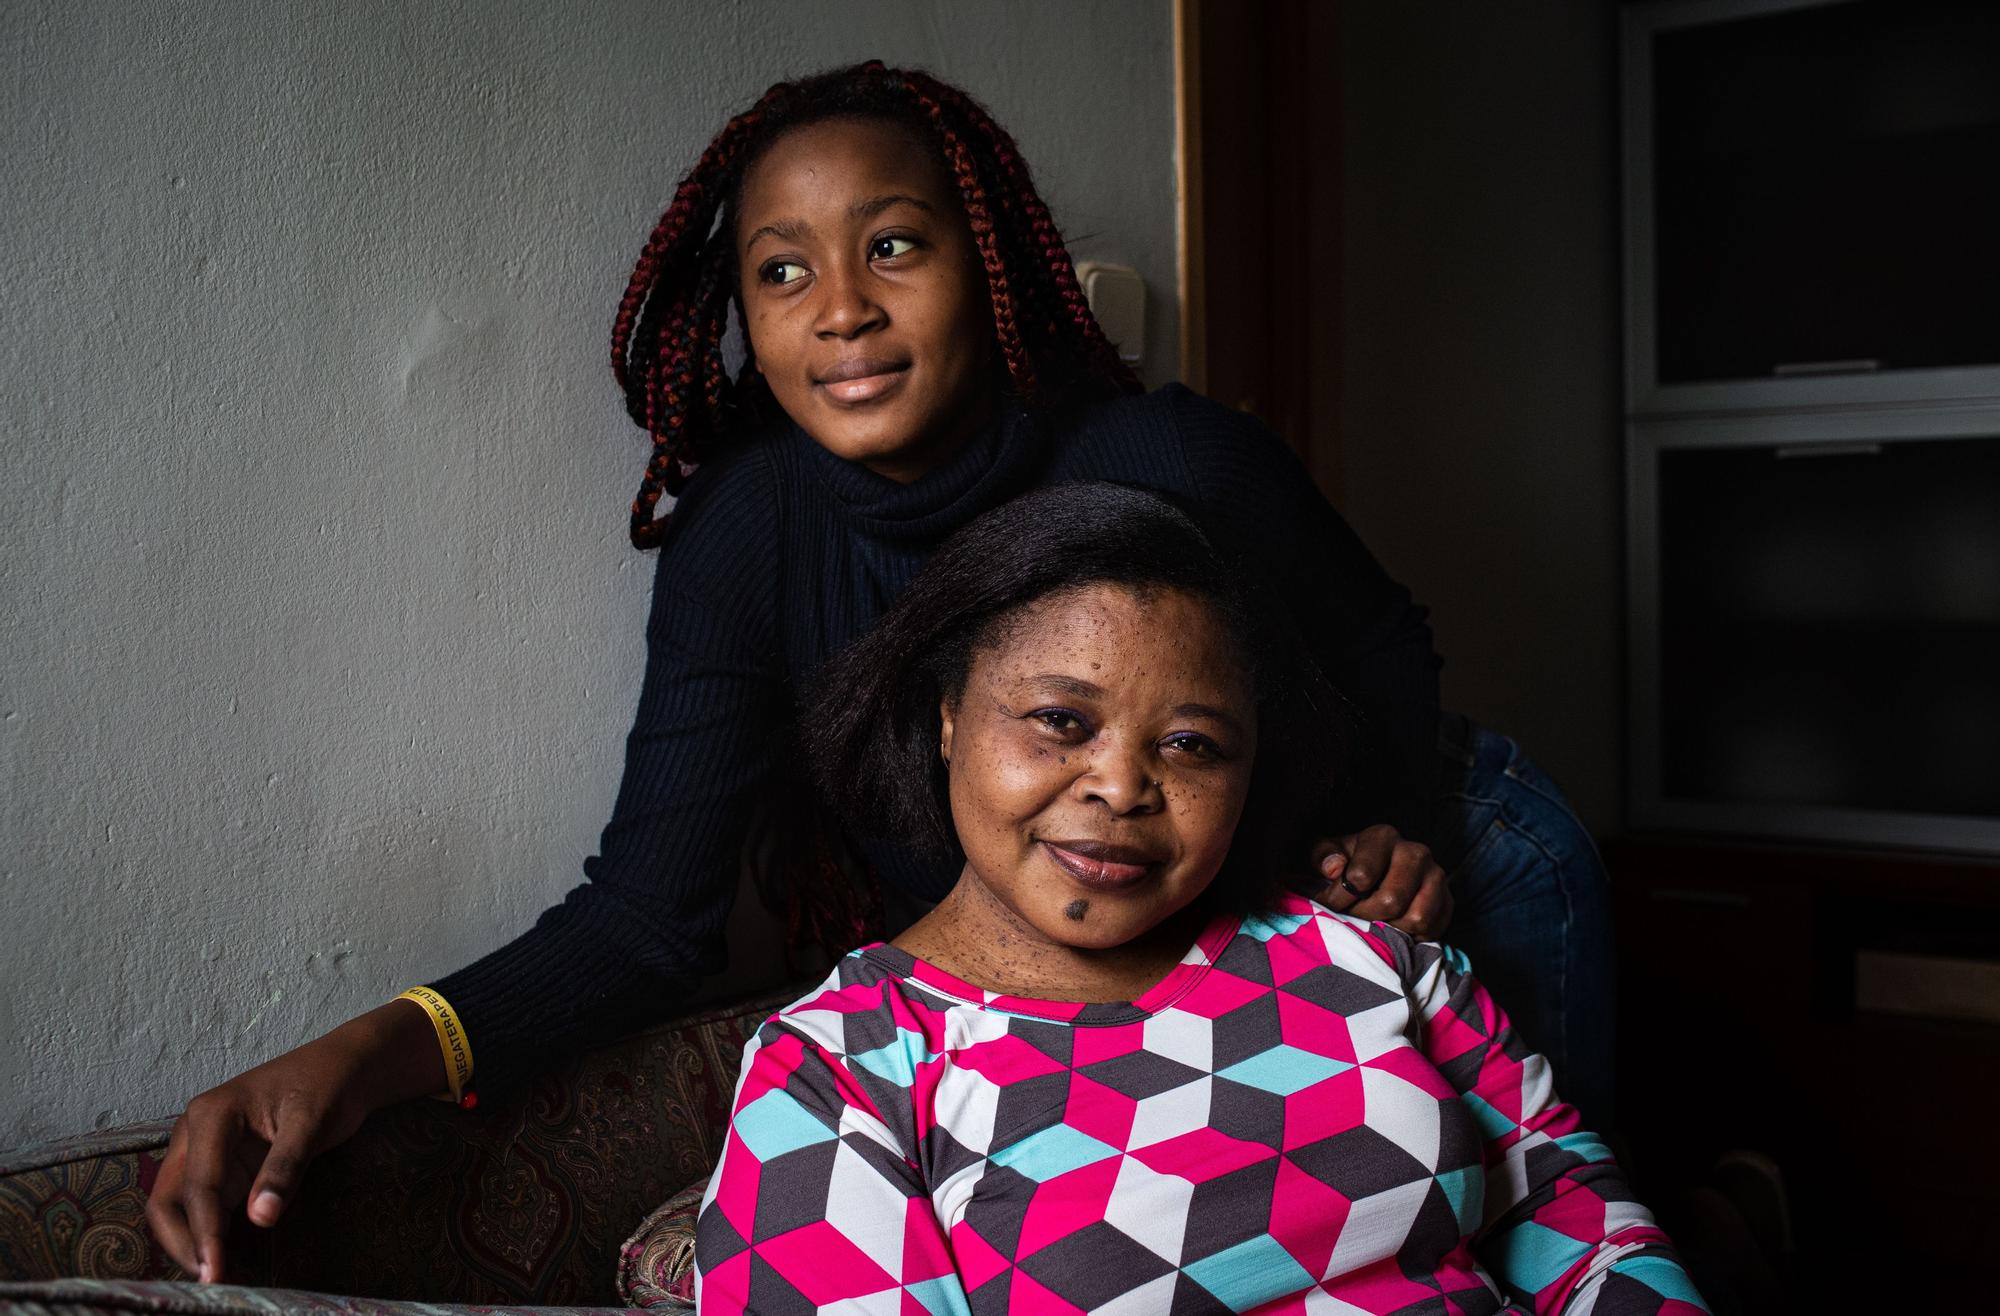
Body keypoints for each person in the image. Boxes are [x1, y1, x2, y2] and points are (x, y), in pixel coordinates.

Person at [145, 61, 1611, 1283]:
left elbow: (1379, 652)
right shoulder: (748, 532)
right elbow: (648, 917)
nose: (840, 306)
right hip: (1148, 932)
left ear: (994, 265)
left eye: (893, 247)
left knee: (1531, 1212)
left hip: (1443, 853)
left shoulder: (1169, 458)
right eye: (783, 272)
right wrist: (368, 1049)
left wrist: (1384, 829)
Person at [697, 482, 1699, 1314]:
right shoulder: (839, 1072)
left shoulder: (1371, 958)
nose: (1121, 785)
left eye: (1189, 743)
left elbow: (1580, 1219)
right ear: (947, 715)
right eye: (1058, 718)